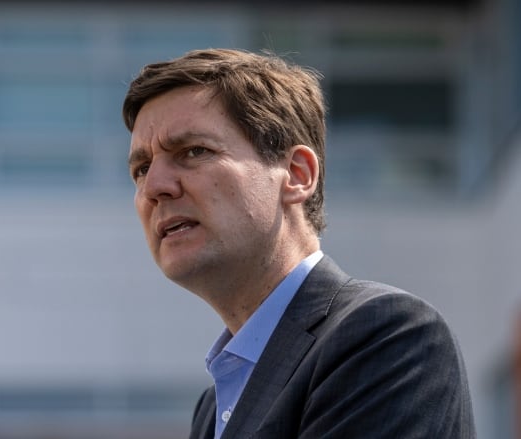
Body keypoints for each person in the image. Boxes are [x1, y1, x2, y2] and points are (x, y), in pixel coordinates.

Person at [122, 48, 475, 438]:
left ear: (296, 174)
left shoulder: (387, 336)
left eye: (194, 151)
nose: (155, 187)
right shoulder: (211, 409)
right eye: (142, 169)